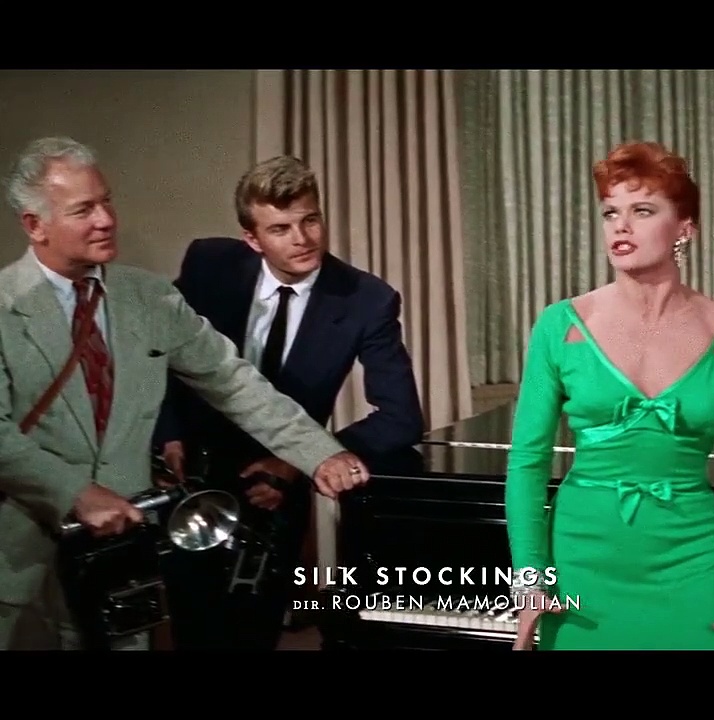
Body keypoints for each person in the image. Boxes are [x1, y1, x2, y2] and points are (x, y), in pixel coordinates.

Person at [0, 136, 370, 651]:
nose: (106, 220)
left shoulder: (149, 297)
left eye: (106, 201)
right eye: (84, 210)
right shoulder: (4, 307)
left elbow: (232, 380)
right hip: (23, 564)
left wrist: (318, 452)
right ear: (34, 225)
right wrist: (76, 492)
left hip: (122, 566)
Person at [504, 141, 714, 651]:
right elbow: (527, 461)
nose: (621, 226)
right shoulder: (560, 325)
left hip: (692, 566)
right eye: (611, 212)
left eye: (643, 211)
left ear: (685, 228)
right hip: (581, 566)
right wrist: (529, 579)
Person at [151, 154, 424, 650]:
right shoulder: (208, 264)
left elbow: (402, 419)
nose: (302, 239)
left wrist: (298, 462)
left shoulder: (367, 299)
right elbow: (162, 356)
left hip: (277, 491)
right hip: (191, 479)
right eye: (280, 229)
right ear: (252, 239)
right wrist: (168, 434)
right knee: (190, 631)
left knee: (254, 634)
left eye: (310, 220)